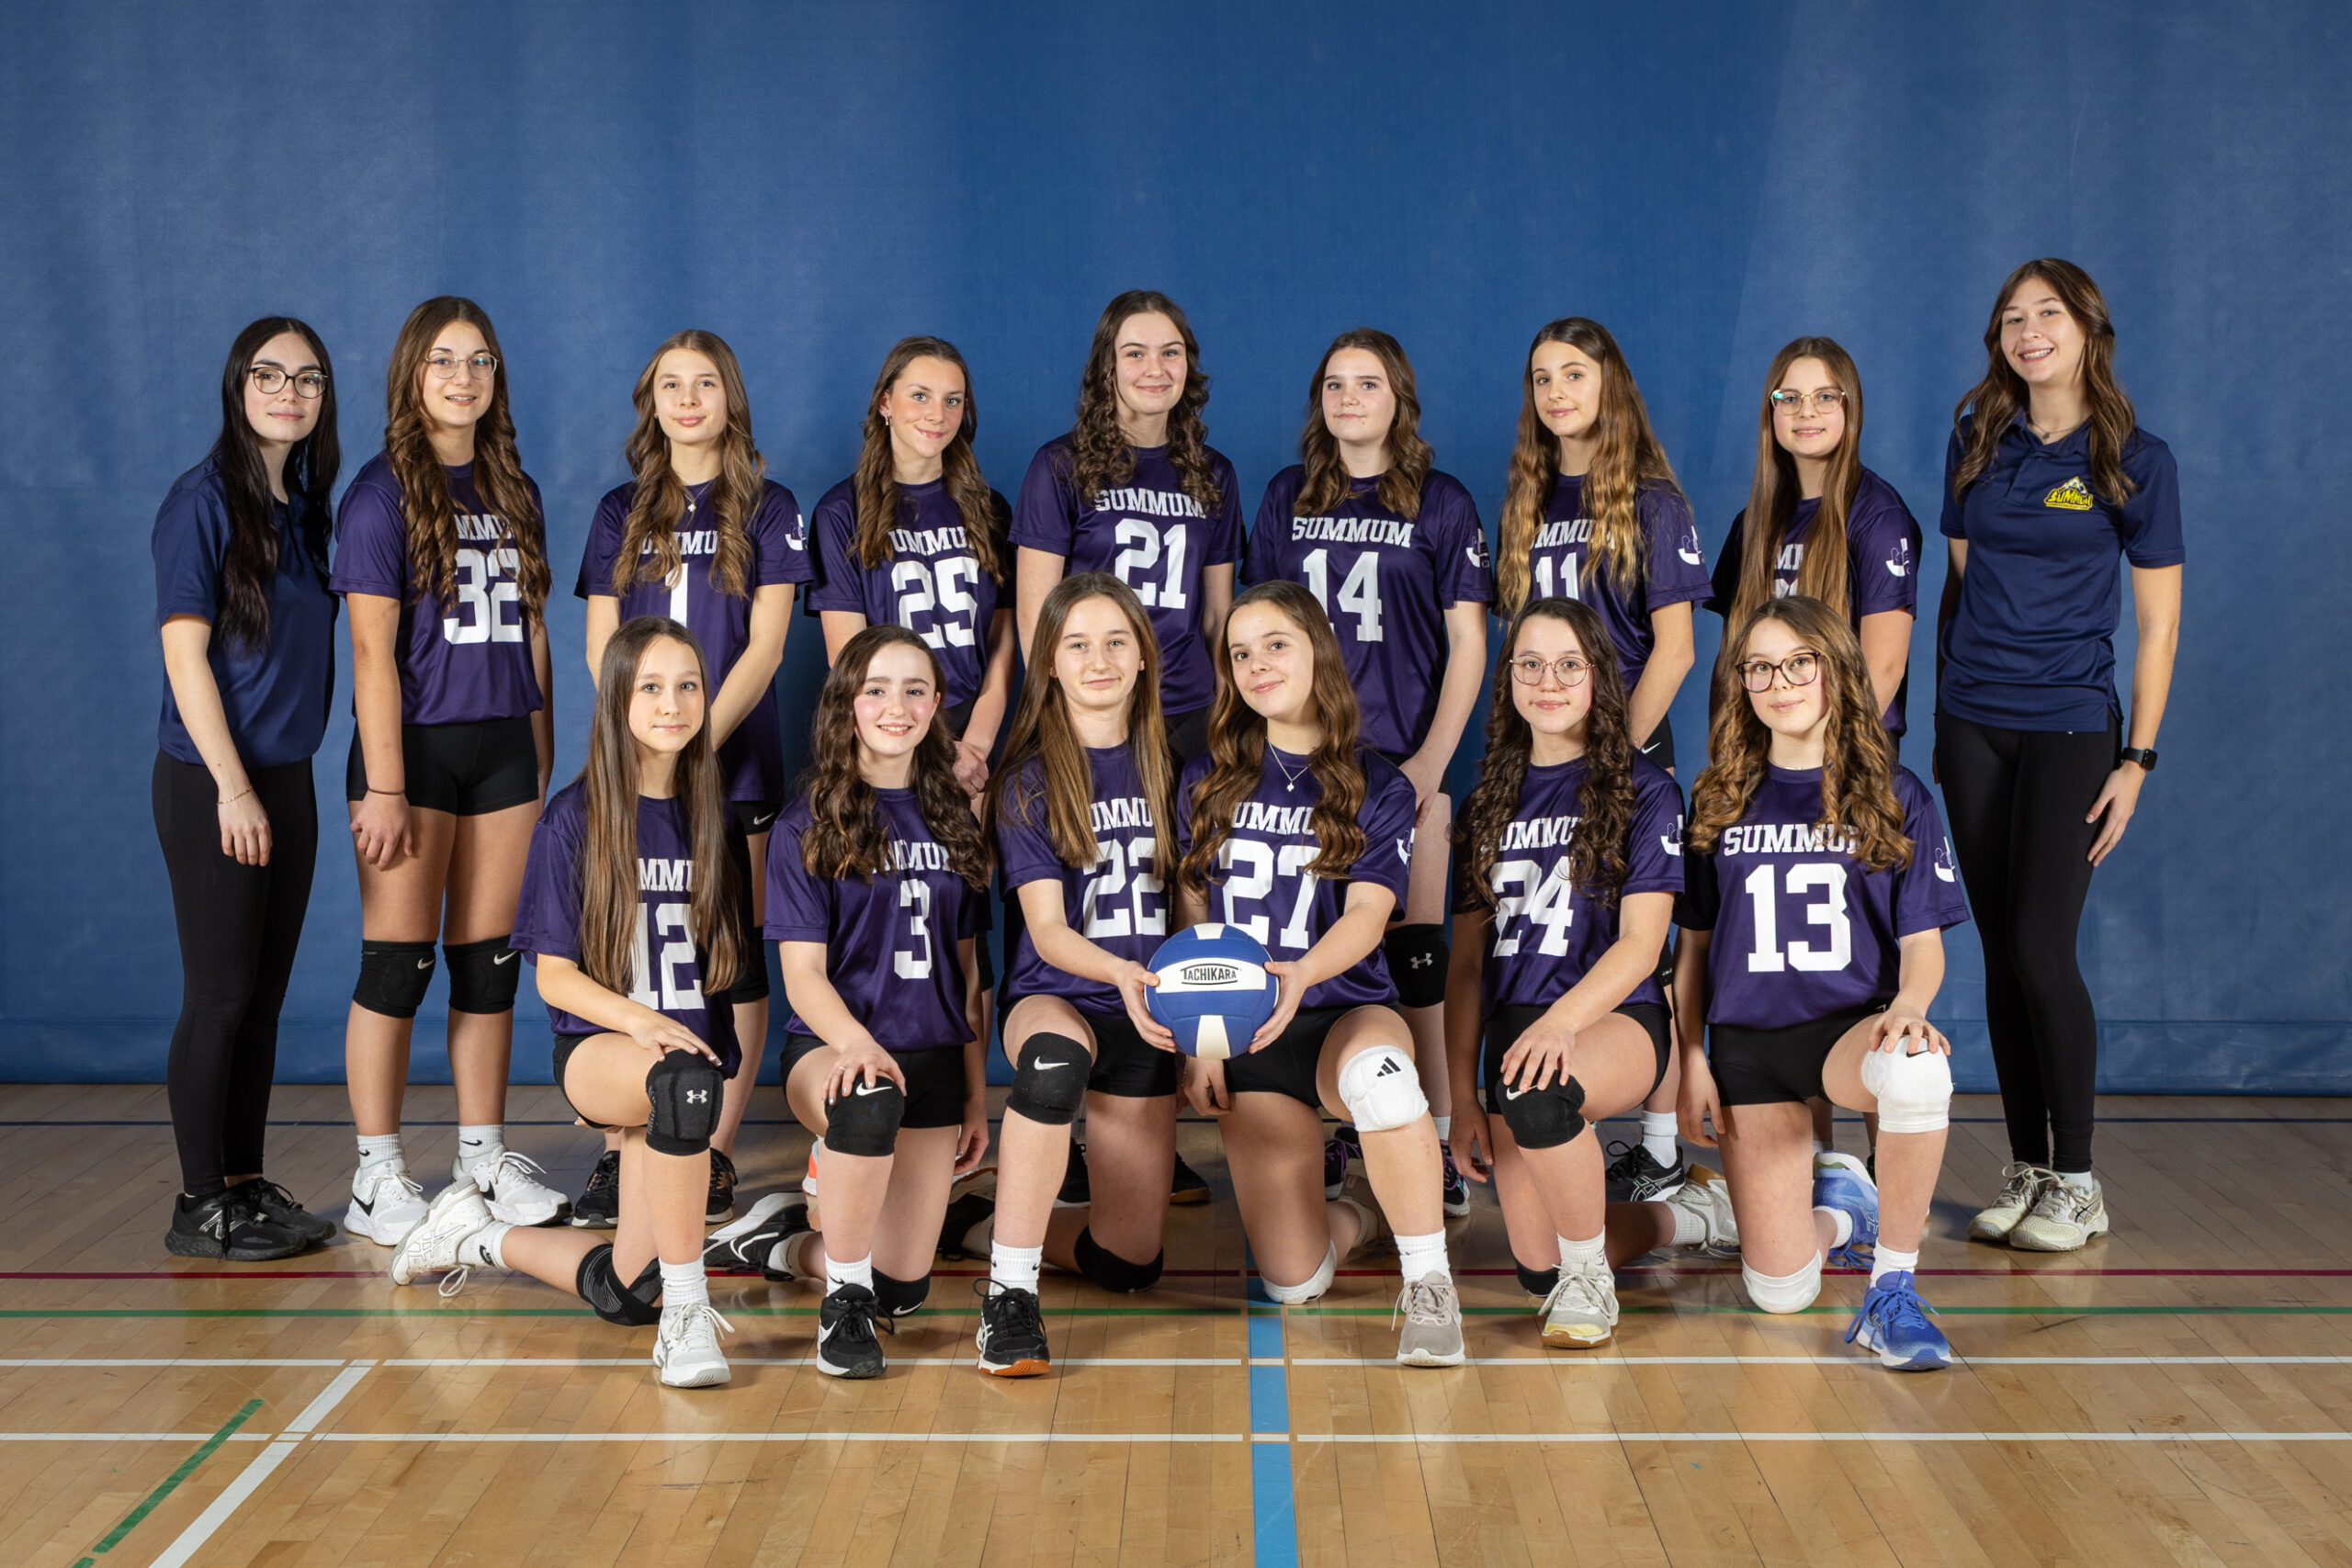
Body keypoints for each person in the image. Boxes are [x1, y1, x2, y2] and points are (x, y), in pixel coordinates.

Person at [389, 616, 751, 1389]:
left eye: (688, 684)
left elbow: (722, 974)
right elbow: (554, 977)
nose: (672, 703)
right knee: (683, 1082)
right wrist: (640, 1030)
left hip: (679, 1072)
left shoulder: (713, 815)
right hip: (601, 1049)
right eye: (651, 686)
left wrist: (698, 1057)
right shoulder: (573, 817)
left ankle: (475, 1236)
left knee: (629, 1290)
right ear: (616, 697)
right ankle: (689, 1317)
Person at [1935, 259, 2183, 1251]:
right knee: (2001, 955)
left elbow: (2159, 628)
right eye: (2011, 316)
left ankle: (2079, 1181)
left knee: (2043, 947)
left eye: (2047, 313)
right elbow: (1961, 588)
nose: (2027, 330)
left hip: (2072, 725)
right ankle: (2030, 1169)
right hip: (1972, 723)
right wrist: (1939, 717)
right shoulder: (1975, 440)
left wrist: (2137, 760)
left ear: (2088, 330)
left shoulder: (2136, 459)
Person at [1675, 597, 1972, 1371]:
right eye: (1760, 668)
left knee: (1918, 1068)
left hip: (1847, 1029)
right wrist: (1691, 1057)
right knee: (1780, 1291)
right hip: (1747, 1048)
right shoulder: (1718, 794)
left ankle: (1892, 1289)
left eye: (1799, 663)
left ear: (1836, 669)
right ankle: (1844, 1210)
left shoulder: (1894, 791)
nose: (1780, 683)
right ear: (1742, 683)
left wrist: (1911, 1005)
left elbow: (1923, 942)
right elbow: (1692, 949)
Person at [1174, 582, 1464, 1367]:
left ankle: (1430, 1284)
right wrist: (1201, 1041)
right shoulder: (1205, 776)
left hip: (1342, 1011)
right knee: (1295, 1280)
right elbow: (1193, 915)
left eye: (1276, 644)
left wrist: (1301, 974)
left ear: (1318, 651)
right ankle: (1369, 1209)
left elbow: (1369, 914)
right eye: (1241, 652)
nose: (1257, 664)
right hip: (1248, 1033)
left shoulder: (1378, 781)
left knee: (1382, 1080)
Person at [332, 297, 565, 1244]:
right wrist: (385, 786)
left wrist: (541, 750)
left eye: (478, 361)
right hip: (415, 750)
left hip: (503, 745)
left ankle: (481, 1158)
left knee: (488, 967)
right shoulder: (379, 493)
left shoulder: (515, 488)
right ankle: (375, 1174)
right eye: (442, 360)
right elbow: (371, 655)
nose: (462, 378)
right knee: (397, 967)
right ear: (411, 375)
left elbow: (535, 630)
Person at [1248, 328, 1492, 1220]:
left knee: (1414, 953)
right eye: (1335, 384)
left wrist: (1429, 763)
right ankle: (1325, 1129)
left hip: (1399, 761)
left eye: (1369, 383)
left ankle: (1433, 1134)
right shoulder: (1287, 495)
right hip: (1301, 764)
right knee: (1306, 948)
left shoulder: (1441, 499)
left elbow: (1469, 641)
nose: (1350, 398)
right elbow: (1257, 628)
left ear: (1400, 398)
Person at [573, 329, 808, 1228]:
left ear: (729, 397)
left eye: (704, 383)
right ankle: (620, 1147)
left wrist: (695, 740)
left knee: (731, 958)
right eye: (670, 384)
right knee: (630, 950)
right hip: (635, 768)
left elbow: (768, 645)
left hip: (731, 764)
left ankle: (713, 1151)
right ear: (651, 401)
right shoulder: (618, 510)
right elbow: (602, 646)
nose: (687, 399)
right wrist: (646, 741)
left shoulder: (769, 506)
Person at [921, 574, 1181, 1376]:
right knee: (1053, 1062)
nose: (1099, 659)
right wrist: (1123, 972)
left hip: (1150, 1014)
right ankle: (1010, 1295)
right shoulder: (1029, 778)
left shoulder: (1179, 767)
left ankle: (977, 1224)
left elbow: (1197, 910)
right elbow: (1047, 931)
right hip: (1058, 996)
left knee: (1129, 1259)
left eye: (1116, 641)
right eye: (1078, 644)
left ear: (1144, 655)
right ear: (1051, 664)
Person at [1495, 316, 1712, 1208]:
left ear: (1609, 383)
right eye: (1542, 377)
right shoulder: (1528, 500)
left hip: (1623, 751)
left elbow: (1675, 648)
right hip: (1540, 751)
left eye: (1574, 374)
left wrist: (1610, 761)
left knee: (1644, 941)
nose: (1557, 392)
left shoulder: (1652, 500)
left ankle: (1660, 1151)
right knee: (1555, 930)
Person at [741, 626, 992, 1379]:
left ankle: (784, 1242)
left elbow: (967, 975)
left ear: (937, 704)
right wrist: (856, 1043)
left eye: (915, 690)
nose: (896, 706)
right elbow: (803, 976)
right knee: (869, 1098)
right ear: (846, 702)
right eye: (876, 689)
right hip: (832, 1050)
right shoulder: (807, 820)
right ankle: (841, 1306)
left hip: (933, 1055)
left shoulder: (954, 817)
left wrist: (975, 1096)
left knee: (903, 1289)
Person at [1444, 599, 1691, 1347]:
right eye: (1530, 664)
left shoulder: (1645, 788)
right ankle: (1684, 1218)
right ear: (1508, 679)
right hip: (1516, 1032)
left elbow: (1642, 945)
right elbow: (1466, 968)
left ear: (1598, 677)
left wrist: (1561, 1022)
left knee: (1539, 1094)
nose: (1547, 681)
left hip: (1612, 1017)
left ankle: (1592, 1277)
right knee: (1537, 1272)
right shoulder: (1484, 803)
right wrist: (1461, 1097)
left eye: (1567, 665)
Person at [152, 317, 342, 1259]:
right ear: (237, 386)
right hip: (212, 781)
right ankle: (199, 1204)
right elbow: (184, 655)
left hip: (286, 776)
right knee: (220, 996)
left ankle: (241, 1182)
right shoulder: (201, 501)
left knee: (263, 999)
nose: (288, 393)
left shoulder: (302, 507)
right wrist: (231, 787)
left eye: (307, 379)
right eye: (269, 375)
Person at [1710, 336, 1924, 1163]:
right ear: (1769, 412)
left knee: (1859, 976)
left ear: (1851, 408)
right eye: (1788, 397)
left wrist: (1826, 755)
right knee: (1788, 965)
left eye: (1825, 395)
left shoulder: (1876, 512)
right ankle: (1828, 1172)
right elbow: (1737, 658)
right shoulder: (1756, 520)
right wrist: (1747, 757)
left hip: (1845, 769)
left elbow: (1883, 662)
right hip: (1765, 768)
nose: (1806, 412)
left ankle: (1887, 1178)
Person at [1012, 289, 1241, 763]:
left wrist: (1227, 711)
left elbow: (1218, 616)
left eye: (1170, 353)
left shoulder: (1214, 472)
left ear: (1188, 366)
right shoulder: (1061, 464)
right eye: (1135, 353)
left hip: (1188, 707)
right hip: (1094, 707)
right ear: (1107, 366)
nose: (1155, 369)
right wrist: (1060, 712)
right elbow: (1036, 617)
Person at [807, 335, 1015, 795]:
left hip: (972, 735)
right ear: (885, 402)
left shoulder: (991, 509)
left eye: (952, 401)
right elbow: (847, 656)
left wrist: (975, 746)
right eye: (920, 396)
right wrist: (923, 746)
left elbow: (1002, 643)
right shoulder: (841, 513)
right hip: (889, 731)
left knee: (974, 844)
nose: (937, 414)